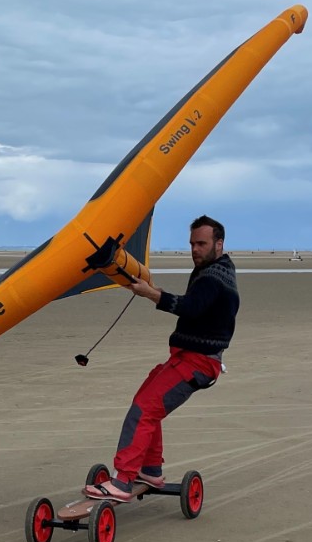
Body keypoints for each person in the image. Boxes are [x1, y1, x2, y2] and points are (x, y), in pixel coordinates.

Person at [83, 215, 239, 502]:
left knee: (144, 410)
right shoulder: (216, 269)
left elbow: (191, 308)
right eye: (192, 243)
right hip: (186, 358)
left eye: (202, 244)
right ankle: (151, 470)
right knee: (145, 403)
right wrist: (154, 292)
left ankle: (123, 480)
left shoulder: (213, 276)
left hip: (198, 363)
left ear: (219, 243)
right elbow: (196, 307)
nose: (195, 249)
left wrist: (151, 294)